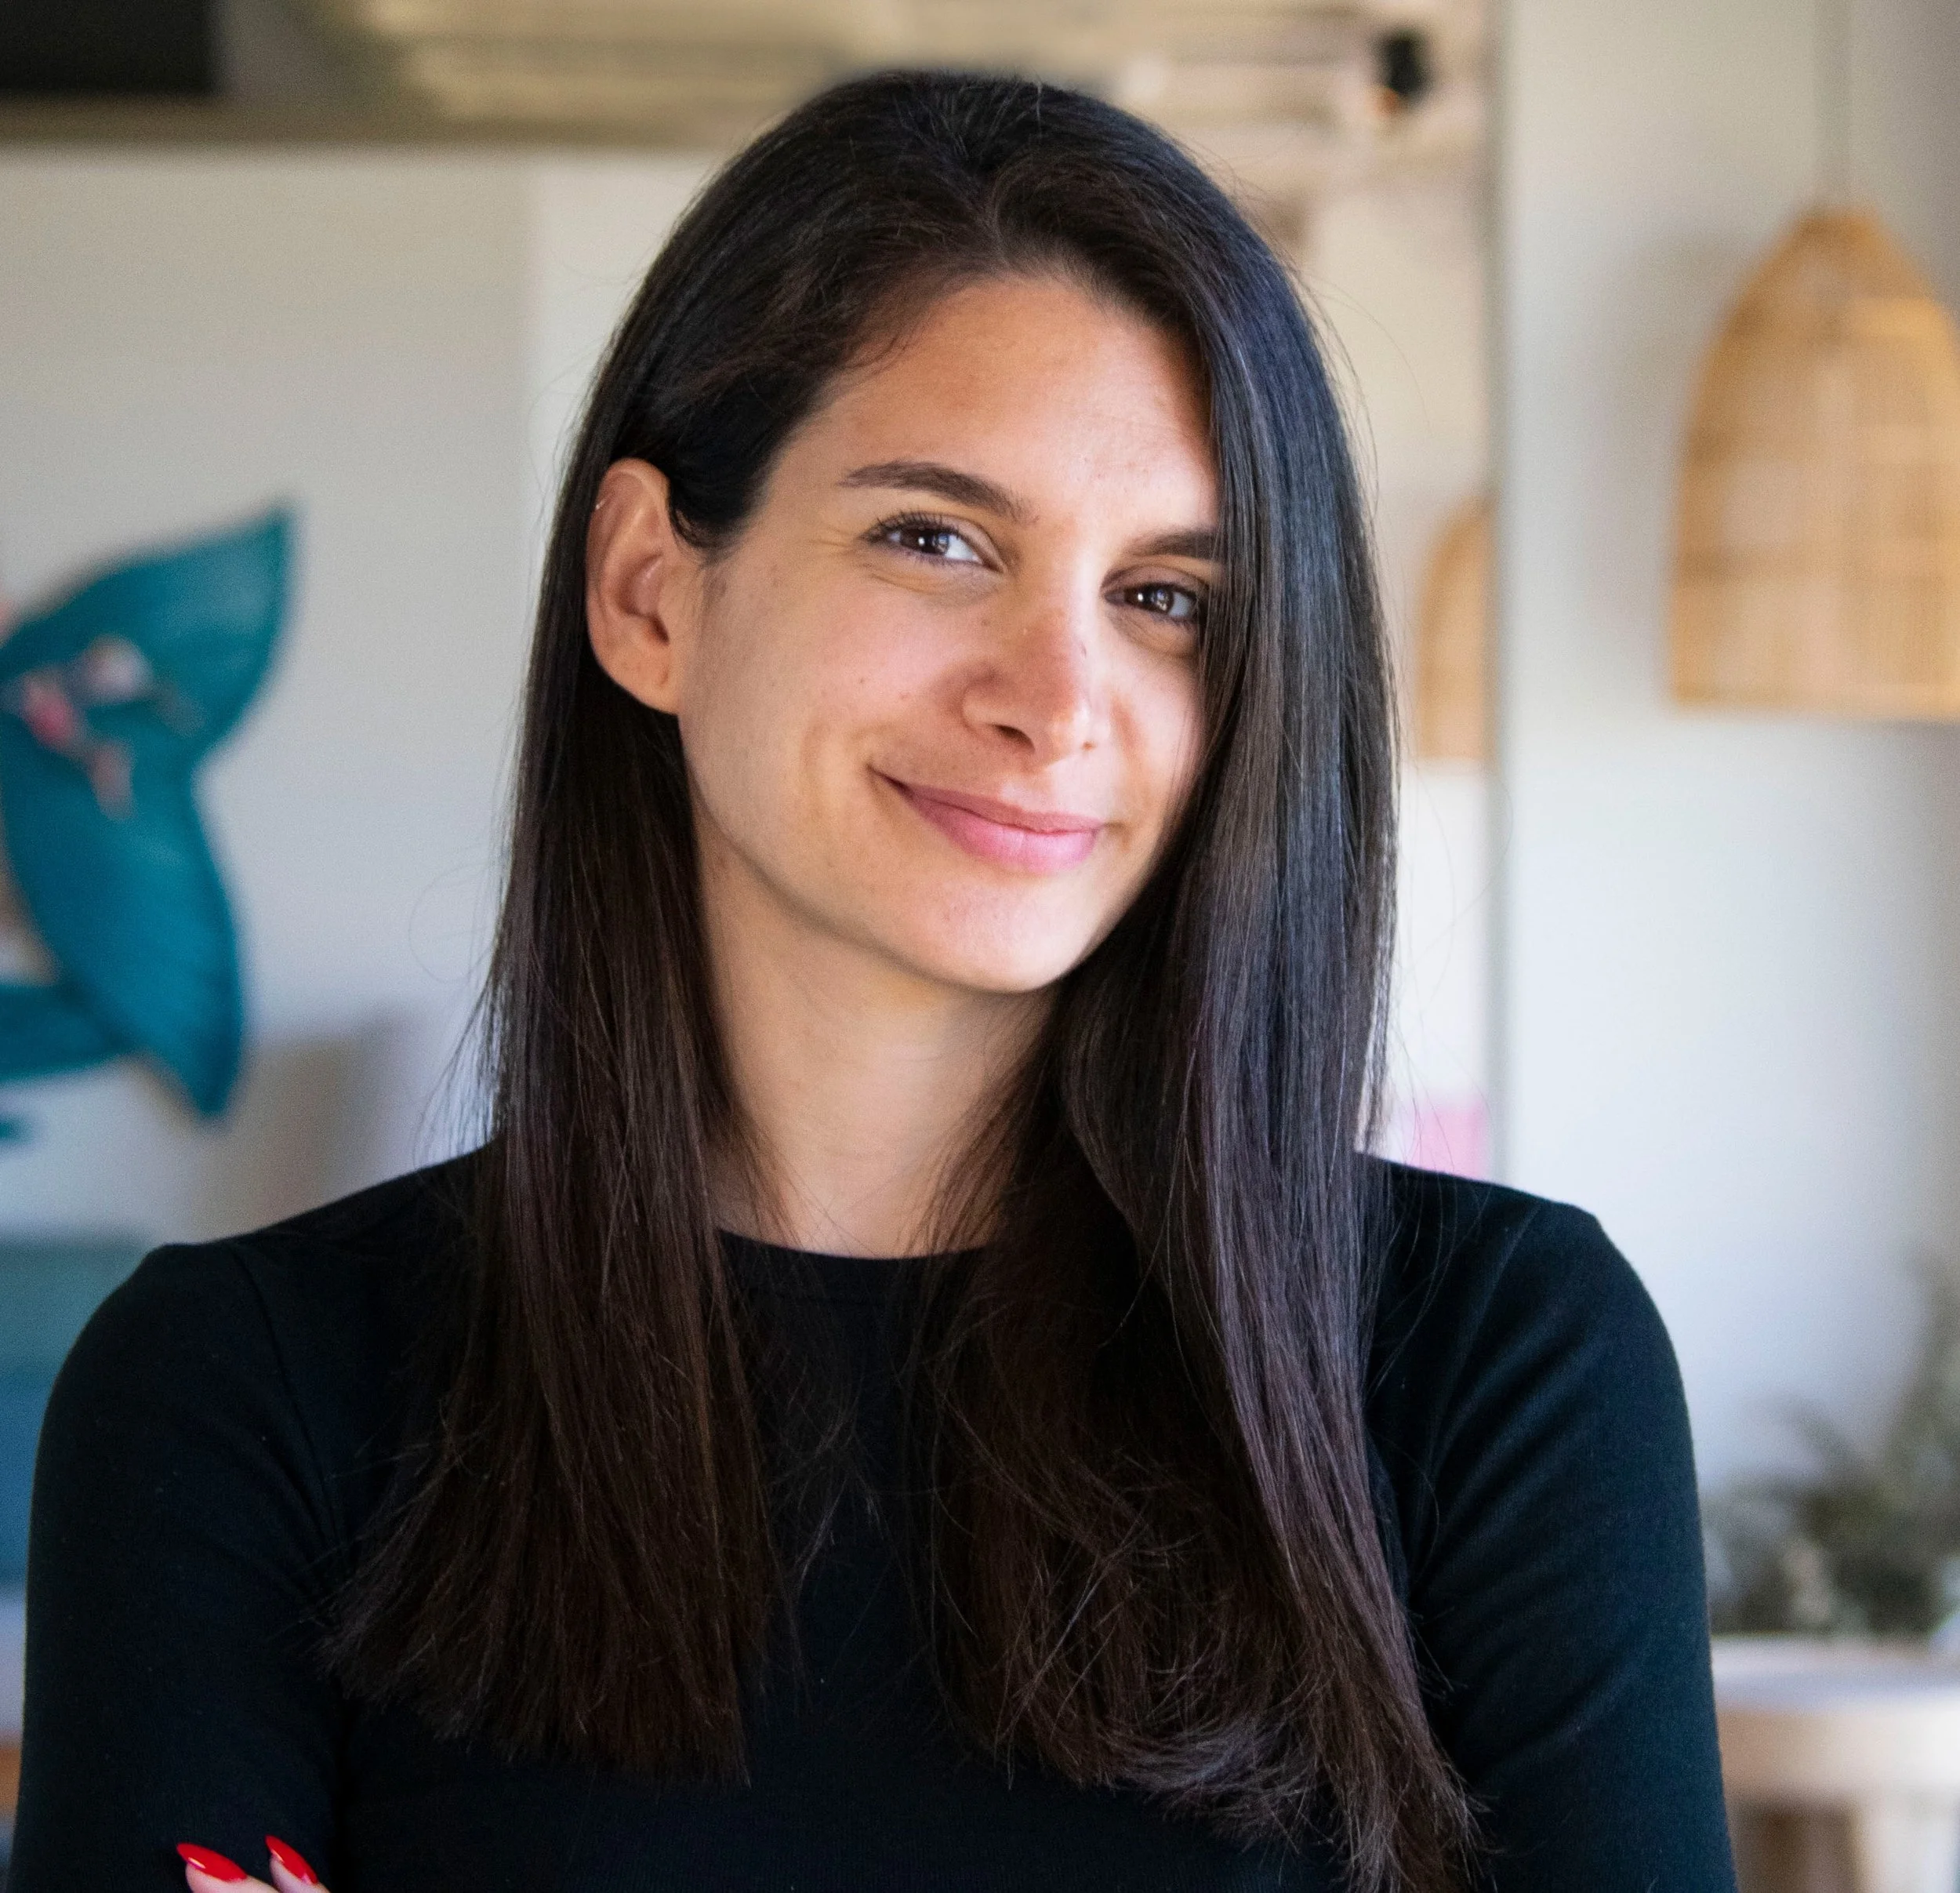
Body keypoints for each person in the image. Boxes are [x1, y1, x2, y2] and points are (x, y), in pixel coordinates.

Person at [9, 71, 1736, 1893]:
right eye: (937, 539)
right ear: (649, 594)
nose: (1055, 699)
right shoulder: (240, 1399)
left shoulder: (1492, 1364)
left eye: (1165, 596)